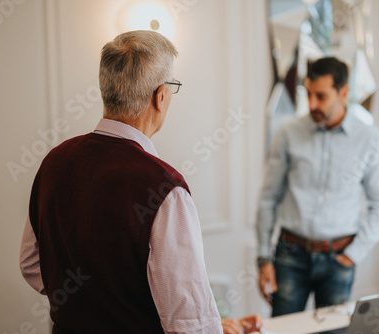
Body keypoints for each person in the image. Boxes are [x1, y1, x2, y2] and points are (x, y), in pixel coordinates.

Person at [19, 30, 263, 334]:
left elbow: (31, 265)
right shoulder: (164, 188)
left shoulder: (54, 161)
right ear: (160, 96)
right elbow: (190, 325)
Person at [256, 57, 379, 316]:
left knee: (333, 332)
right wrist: (263, 258)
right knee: (284, 332)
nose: (312, 104)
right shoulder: (288, 133)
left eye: (321, 96)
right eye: (308, 94)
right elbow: (268, 198)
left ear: (344, 92)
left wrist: (353, 254)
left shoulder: (371, 140)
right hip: (289, 255)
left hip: (339, 258)